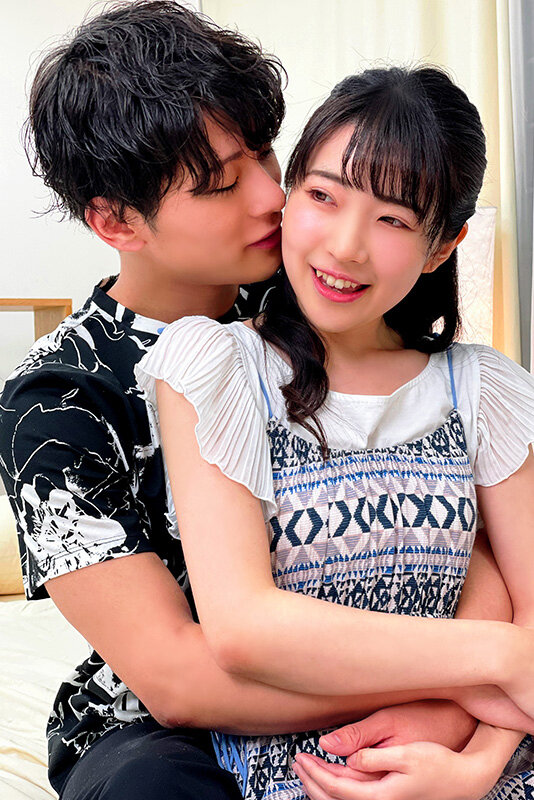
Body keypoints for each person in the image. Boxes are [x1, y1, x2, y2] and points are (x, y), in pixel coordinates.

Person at [0, 4, 513, 799]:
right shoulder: (57, 400)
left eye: (267, 154)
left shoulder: (322, 284)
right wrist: (462, 683)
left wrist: (452, 708)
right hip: (162, 723)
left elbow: (455, 519)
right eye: (220, 185)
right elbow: (177, 677)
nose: (273, 197)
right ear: (115, 221)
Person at [136, 66, 534, 800]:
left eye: (394, 220)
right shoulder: (216, 366)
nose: (346, 246)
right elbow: (245, 628)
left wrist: (473, 764)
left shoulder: (484, 388)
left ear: (443, 245)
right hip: (304, 775)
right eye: (324, 196)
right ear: (289, 194)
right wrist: (499, 656)